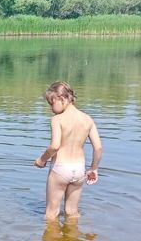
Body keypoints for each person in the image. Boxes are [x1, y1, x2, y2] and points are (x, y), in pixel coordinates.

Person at [34, 81, 102, 221]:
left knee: (51, 213)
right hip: (78, 170)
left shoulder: (57, 119)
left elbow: (54, 146)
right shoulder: (88, 119)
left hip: (60, 169)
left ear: (62, 99)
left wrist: (41, 160)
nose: (51, 108)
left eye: (51, 103)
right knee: (72, 212)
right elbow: (98, 147)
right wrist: (94, 168)